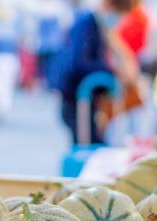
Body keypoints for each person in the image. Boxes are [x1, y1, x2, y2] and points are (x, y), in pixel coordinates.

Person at [54, 0, 139, 144]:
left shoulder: (102, 28)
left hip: (89, 98)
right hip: (76, 97)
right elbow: (79, 62)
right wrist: (112, 71)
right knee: (86, 142)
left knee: (94, 139)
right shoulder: (86, 24)